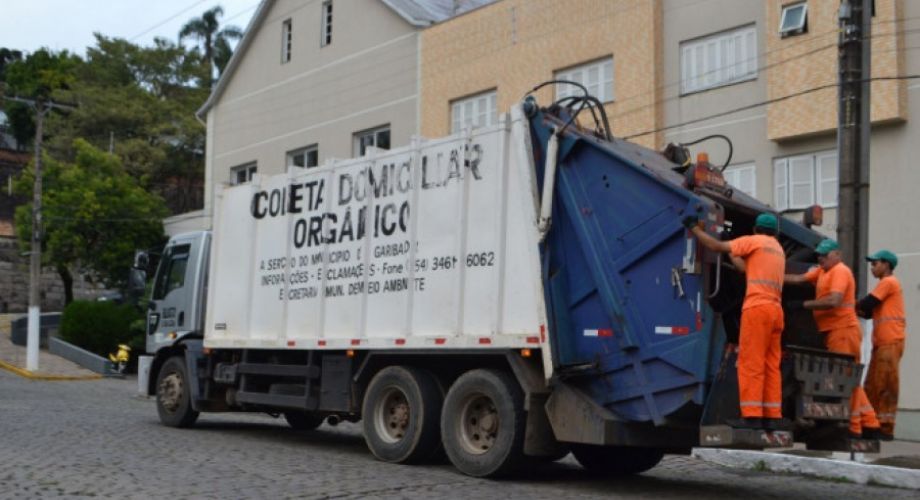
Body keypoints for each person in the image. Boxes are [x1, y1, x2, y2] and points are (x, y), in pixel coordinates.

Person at [684, 212, 787, 430]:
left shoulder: (753, 241)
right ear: (775, 232)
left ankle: (751, 416)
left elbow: (715, 246)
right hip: (776, 311)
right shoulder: (777, 249)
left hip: (757, 309)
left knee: (751, 363)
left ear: (756, 229)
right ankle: (772, 416)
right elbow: (743, 268)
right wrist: (734, 251)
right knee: (771, 364)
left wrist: (694, 228)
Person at [785, 239, 882, 439]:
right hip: (834, 332)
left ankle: (856, 427)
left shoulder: (840, 271)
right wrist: (769, 275)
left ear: (837, 254)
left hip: (843, 330)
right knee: (849, 378)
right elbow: (797, 279)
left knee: (846, 379)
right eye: (819, 255)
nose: (821, 259)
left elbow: (834, 300)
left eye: (825, 255)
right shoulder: (822, 271)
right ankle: (870, 423)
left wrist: (803, 305)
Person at [858, 250, 906, 441]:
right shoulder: (885, 286)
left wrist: (847, 304)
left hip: (890, 341)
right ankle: (872, 424)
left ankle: (885, 428)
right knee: (872, 385)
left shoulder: (888, 283)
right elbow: (869, 313)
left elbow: (868, 304)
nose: (872, 268)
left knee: (885, 384)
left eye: (875, 264)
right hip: (882, 343)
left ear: (886, 265)